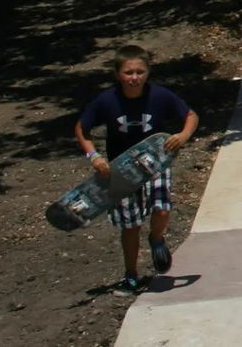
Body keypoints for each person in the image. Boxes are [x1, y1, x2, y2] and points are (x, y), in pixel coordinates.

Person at [74, 45, 199, 295]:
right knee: (130, 224)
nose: (134, 78)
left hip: (155, 160)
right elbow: (81, 128)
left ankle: (156, 238)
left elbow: (191, 115)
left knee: (162, 208)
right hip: (121, 169)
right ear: (118, 74)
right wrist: (94, 156)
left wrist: (183, 135)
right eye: (128, 72)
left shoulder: (160, 96)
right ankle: (131, 276)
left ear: (148, 72)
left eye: (140, 72)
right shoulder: (106, 100)